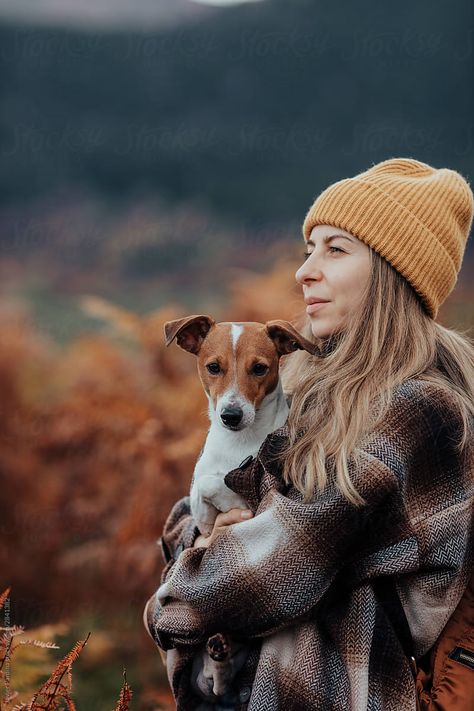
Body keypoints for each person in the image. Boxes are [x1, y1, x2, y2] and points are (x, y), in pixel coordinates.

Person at [143, 158, 474, 710]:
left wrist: (174, 589)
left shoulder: (415, 410)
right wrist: (206, 542)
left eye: (335, 250)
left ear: (393, 273)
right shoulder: (317, 396)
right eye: (308, 250)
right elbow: (195, 513)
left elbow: (259, 579)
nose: (305, 271)